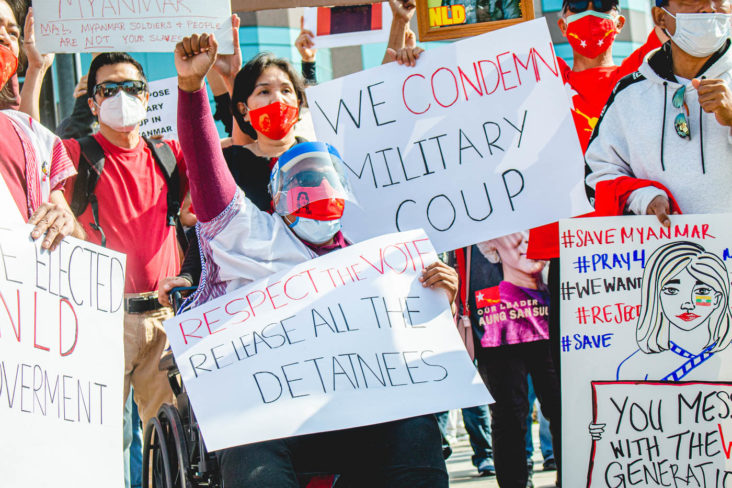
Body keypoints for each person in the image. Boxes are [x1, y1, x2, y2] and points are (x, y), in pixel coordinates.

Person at [174, 31, 456, 488]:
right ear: (276, 195)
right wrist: (191, 92)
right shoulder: (244, 233)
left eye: (325, 182)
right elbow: (205, 163)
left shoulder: (368, 255)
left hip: (351, 410)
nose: (315, 193)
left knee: (416, 433)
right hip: (263, 419)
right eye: (302, 184)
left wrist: (436, 292)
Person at [61, 52, 187, 460]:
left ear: (147, 97)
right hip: (102, 318)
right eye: (108, 89)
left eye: (131, 87)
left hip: (165, 320)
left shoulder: (169, 155)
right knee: (102, 444)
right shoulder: (73, 155)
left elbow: (199, 211)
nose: (121, 96)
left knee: (168, 445)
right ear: (93, 103)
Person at [584, 0, 732, 224]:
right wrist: (643, 198)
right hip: (660, 253)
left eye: (719, 1)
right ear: (660, 17)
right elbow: (598, 175)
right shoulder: (628, 94)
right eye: (692, 1)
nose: (708, 8)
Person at [474, 232, 560, 488]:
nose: (526, 242)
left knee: (564, 407)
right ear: (490, 245)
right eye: (513, 236)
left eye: (530, 233)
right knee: (509, 414)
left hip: (555, 315)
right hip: (496, 323)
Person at [0, 0, 82, 248]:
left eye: (13, 33)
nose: (5, 37)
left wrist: (65, 223)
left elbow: (77, 239)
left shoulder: (34, 139)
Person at [617, 241, 732, 380]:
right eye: (672, 290)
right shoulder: (634, 368)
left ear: (717, 299)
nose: (688, 303)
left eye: (702, 291)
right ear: (655, 296)